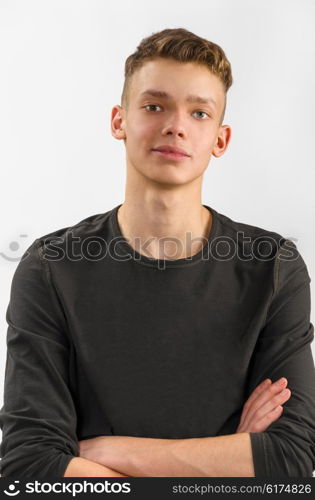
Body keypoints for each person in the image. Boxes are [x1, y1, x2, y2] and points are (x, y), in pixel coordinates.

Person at [0, 27, 314, 478]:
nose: (175, 125)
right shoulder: (51, 268)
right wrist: (227, 457)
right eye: (154, 106)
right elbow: (31, 466)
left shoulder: (273, 266)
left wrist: (110, 453)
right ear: (119, 121)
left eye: (199, 113)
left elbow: (290, 461)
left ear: (220, 140)